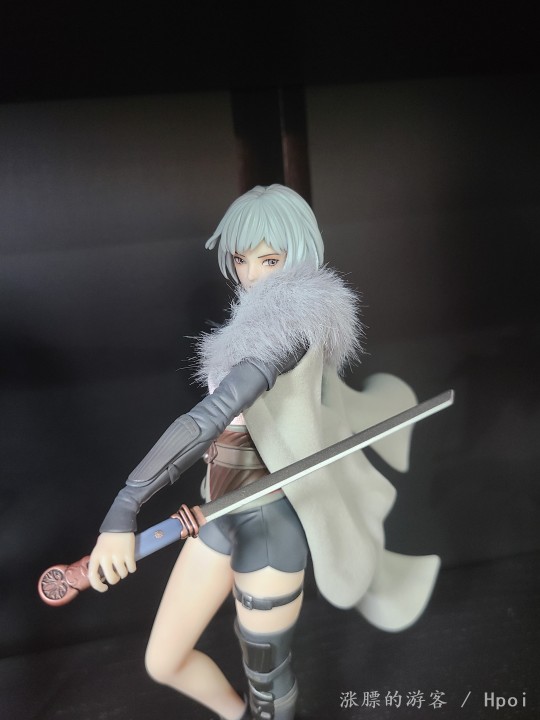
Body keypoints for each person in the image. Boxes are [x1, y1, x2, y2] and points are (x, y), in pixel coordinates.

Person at [88, 184, 440, 720]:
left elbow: (209, 418)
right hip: (217, 513)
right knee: (164, 661)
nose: (252, 275)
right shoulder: (255, 320)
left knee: (269, 684)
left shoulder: (292, 322)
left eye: (269, 260)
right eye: (242, 260)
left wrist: (124, 507)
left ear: (298, 255)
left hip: (269, 528)